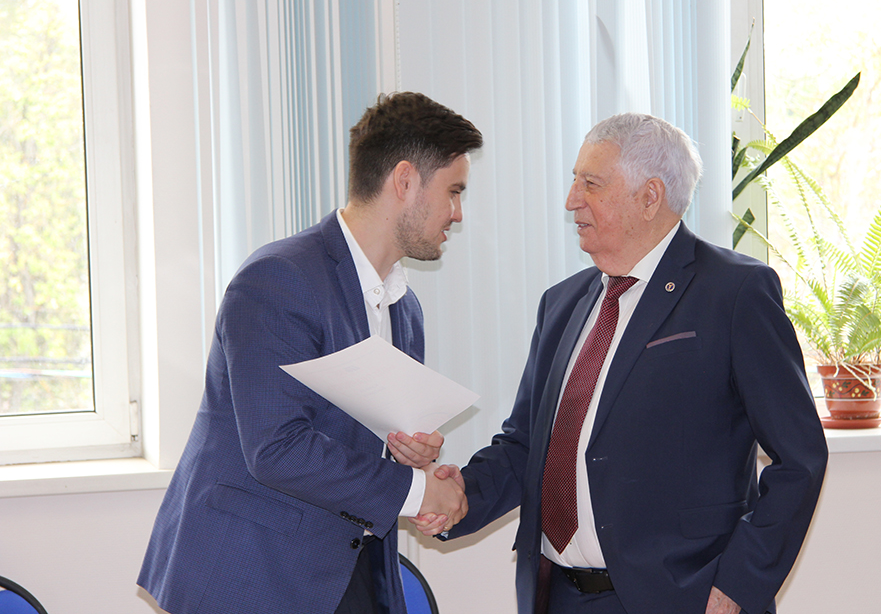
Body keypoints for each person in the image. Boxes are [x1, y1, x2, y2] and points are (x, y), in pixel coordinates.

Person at [417, 113, 828, 614]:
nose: (571, 200)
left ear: (650, 196)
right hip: (557, 596)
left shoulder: (734, 292)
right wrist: (457, 494)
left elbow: (800, 459)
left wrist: (739, 587)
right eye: (574, 181)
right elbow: (528, 446)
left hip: (683, 598)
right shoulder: (562, 304)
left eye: (590, 184)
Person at [138, 91, 482, 614]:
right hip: (252, 576)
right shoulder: (278, 279)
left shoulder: (404, 308)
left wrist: (409, 453)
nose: (457, 213)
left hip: (351, 569)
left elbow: (352, 435)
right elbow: (277, 448)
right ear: (405, 180)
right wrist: (414, 491)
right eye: (453, 191)